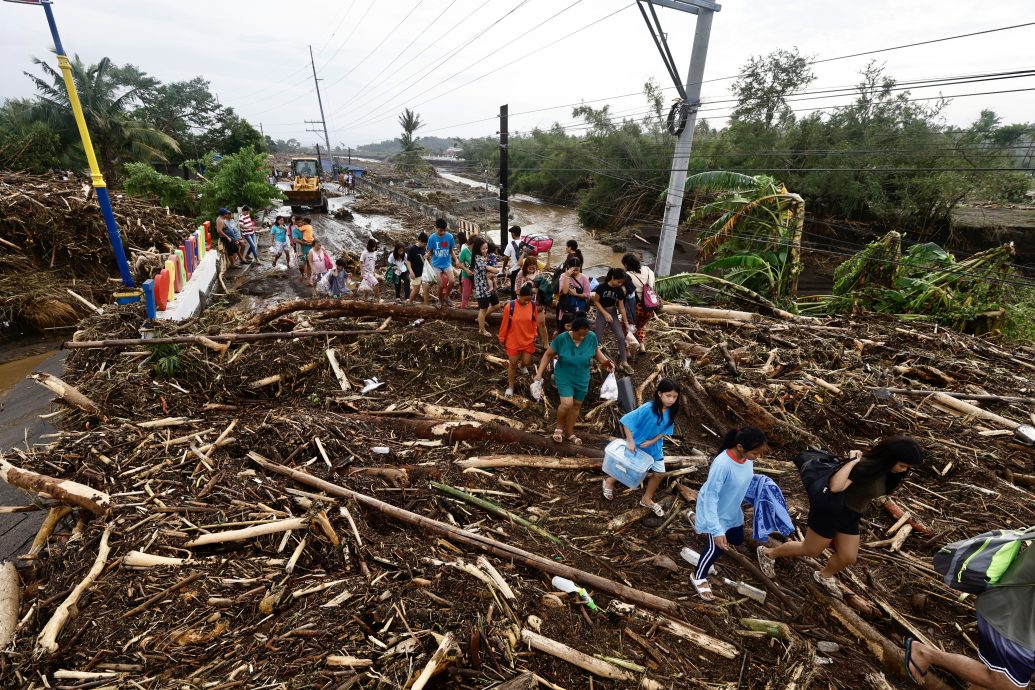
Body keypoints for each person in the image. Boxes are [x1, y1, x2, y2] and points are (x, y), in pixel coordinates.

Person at [757, 436, 923, 598]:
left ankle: (824, 576)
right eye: (902, 465)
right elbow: (835, 486)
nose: (904, 470)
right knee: (811, 549)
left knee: (848, 557)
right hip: (831, 511)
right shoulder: (863, 467)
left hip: (851, 516)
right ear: (890, 457)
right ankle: (767, 553)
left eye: (907, 467)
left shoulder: (888, 473)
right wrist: (852, 462)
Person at [904, 543, 1035, 689]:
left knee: (994, 681)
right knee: (1007, 684)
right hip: (1012, 615)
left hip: (1022, 620)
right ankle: (925, 654)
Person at [692, 427, 768, 600]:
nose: (758, 457)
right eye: (756, 453)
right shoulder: (722, 465)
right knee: (717, 546)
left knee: (736, 539)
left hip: (732, 509)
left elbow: (743, 479)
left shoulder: (747, 459)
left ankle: (698, 523)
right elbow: (711, 497)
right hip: (715, 513)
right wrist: (716, 530)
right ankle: (698, 576)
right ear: (740, 447)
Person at [533, 314, 613, 445]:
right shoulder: (562, 339)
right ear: (572, 331)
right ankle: (559, 428)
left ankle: (569, 432)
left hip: (582, 376)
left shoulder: (591, 337)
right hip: (564, 375)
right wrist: (539, 373)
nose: (582, 337)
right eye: (579, 335)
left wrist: (605, 362)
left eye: (585, 335)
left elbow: (596, 351)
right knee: (566, 404)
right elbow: (548, 354)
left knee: (576, 405)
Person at [603, 379, 680, 516]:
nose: (671, 400)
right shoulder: (648, 409)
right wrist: (630, 441)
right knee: (626, 467)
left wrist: (652, 441)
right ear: (659, 394)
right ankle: (609, 481)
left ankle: (646, 499)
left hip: (654, 448)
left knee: (659, 473)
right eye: (668, 396)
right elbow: (626, 421)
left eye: (674, 397)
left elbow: (665, 430)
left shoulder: (671, 411)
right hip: (637, 445)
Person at [499, 283, 549, 397]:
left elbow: (534, 321)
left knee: (526, 362)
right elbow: (504, 323)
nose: (527, 302)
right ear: (519, 296)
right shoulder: (510, 307)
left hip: (528, 339)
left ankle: (522, 366)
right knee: (512, 364)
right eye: (525, 299)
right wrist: (502, 338)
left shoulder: (532, 306)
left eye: (529, 299)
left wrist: (534, 333)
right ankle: (510, 387)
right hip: (513, 340)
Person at [592, 267, 633, 375]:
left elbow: (622, 307)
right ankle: (593, 359)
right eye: (618, 281)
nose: (619, 284)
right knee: (598, 338)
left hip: (613, 312)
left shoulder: (619, 290)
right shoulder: (602, 287)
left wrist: (626, 322)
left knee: (620, 337)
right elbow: (596, 302)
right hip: (602, 313)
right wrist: (605, 314)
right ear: (613, 278)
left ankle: (624, 362)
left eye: (621, 283)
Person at [622, 253, 658, 349]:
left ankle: (627, 350)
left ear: (626, 265)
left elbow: (626, 292)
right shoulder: (648, 270)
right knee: (640, 326)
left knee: (627, 327)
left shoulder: (627, 275)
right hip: (650, 307)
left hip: (636, 308)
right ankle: (642, 346)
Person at [425, 218, 458, 307]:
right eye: (440, 230)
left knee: (452, 281)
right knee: (441, 285)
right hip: (436, 264)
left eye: (444, 230)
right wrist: (428, 255)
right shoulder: (432, 238)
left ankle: (446, 297)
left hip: (447, 263)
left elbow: (451, 250)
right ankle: (439, 300)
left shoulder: (449, 237)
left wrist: (456, 259)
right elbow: (431, 251)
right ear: (436, 227)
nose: (443, 232)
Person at [472, 236, 500, 337]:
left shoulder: (485, 256)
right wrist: (496, 270)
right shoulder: (477, 258)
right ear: (478, 249)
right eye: (483, 248)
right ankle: (481, 330)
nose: (485, 250)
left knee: (497, 305)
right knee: (483, 309)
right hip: (482, 288)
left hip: (489, 287)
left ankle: (480, 319)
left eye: (486, 248)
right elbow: (489, 268)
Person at [557, 257, 591, 332]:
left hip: (579, 308)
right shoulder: (563, 276)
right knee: (565, 330)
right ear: (568, 267)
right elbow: (564, 292)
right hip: (566, 307)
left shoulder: (584, 278)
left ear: (580, 267)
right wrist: (567, 276)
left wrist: (576, 294)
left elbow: (587, 295)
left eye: (577, 270)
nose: (575, 272)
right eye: (573, 270)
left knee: (579, 330)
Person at [504, 225, 527, 295]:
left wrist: (503, 267)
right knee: (523, 287)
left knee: (514, 290)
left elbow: (506, 258)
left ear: (513, 234)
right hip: (524, 268)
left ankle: (514, 303)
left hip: (515, 270)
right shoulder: (524, 244)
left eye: (511, 233)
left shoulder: (510, 245)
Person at [405, 232, 429, 303]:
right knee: (416, 290)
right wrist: (411, 272)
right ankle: (410, 302)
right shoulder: (412, 249)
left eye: (426, 244)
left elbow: (425, 258)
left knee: (426, 289)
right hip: (415, 273)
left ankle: (426, 305)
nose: (425, 245)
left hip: (424, 272)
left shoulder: (424, 248)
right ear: (420, 241)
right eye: (424, 243)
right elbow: (408, 261)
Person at [458, 232, 474, 309]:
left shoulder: (478, 251)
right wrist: (466, 269)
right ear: (471, 244)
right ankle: (463, 308)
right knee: (466, 294)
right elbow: (459, 263)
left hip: (476, 276)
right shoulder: (465, 251)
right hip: (466, 275)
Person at [298, 217, 315, 282]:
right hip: (311, 240)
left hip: (307, 241)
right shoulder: (310, 226)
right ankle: (308, 278)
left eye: (303, 222)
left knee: (305, 262)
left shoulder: (305, 226)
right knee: (309, 262)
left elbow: (299, 229)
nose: (302, 223)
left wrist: (297, 226)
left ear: (305, 222)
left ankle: (305, 275)